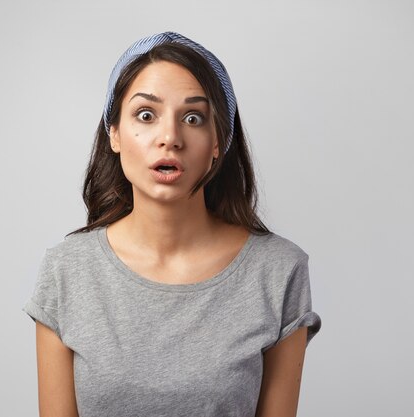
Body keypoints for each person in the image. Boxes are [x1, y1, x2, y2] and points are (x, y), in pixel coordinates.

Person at [22, 31, 321, 417]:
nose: (170, 137)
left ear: (218, 143)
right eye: (146, 115)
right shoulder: (66, 271)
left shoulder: (279, 270)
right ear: (113, 132)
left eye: (193, 118)